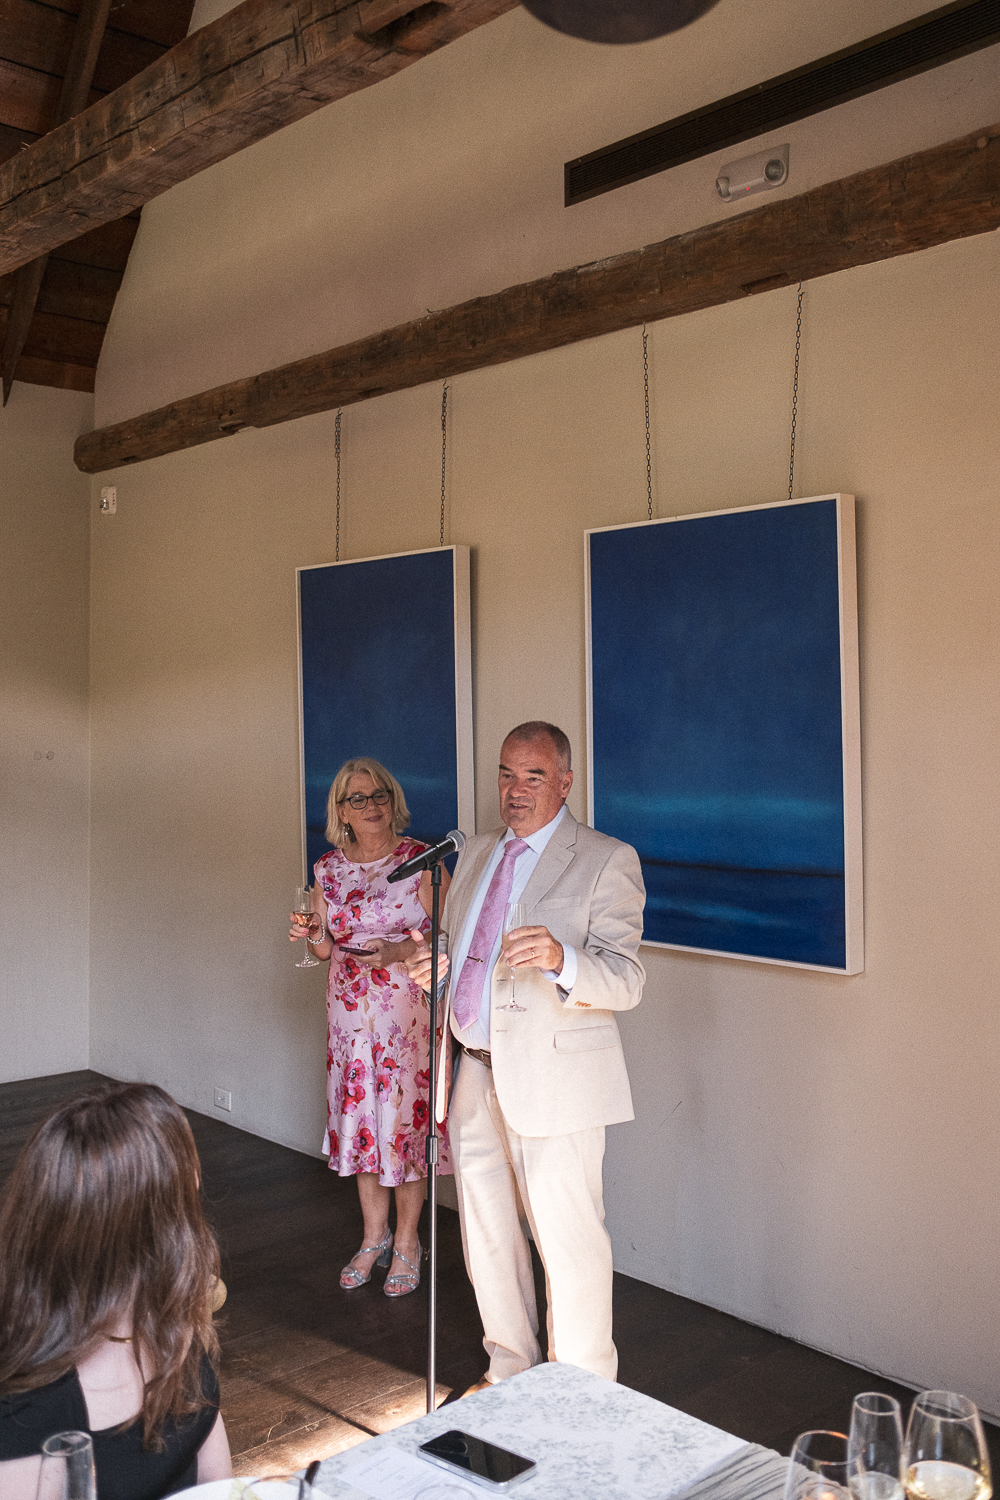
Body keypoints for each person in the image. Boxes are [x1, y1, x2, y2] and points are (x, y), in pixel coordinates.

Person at [406, 721, 644, 1387]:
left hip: (556, 1082)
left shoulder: (606, 858)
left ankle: (581, 1395)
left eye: (533, 775)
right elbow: (464, 953)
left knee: (568, 1246)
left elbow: (626, 980)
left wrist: (563, 958)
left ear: (564, 782)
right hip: (475, 1072)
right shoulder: (477, 853)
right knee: (486, 1238)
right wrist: (440, 969)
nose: (515, 789)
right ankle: (509, 1371)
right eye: (507, 774)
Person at [0, 1082, 232, 1500]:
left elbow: (220, 1486)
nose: (198, 1184)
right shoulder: (24, 1404)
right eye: (187, 1180)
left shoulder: (177, 1334)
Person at [290, 756, 452, 1297]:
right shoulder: (327, 870)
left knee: (403, 1124)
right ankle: (373, 1236)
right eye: (358, 798)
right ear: (342, 810)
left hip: (407, 1012)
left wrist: (400, 950)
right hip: (349, 1016)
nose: (372, 806)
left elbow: (454, 938)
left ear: (393, 799)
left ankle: (408, 1241)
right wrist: (310, 930)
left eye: (379, 794)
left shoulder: (423, 861)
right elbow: (323, 949)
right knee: (362, 1118)